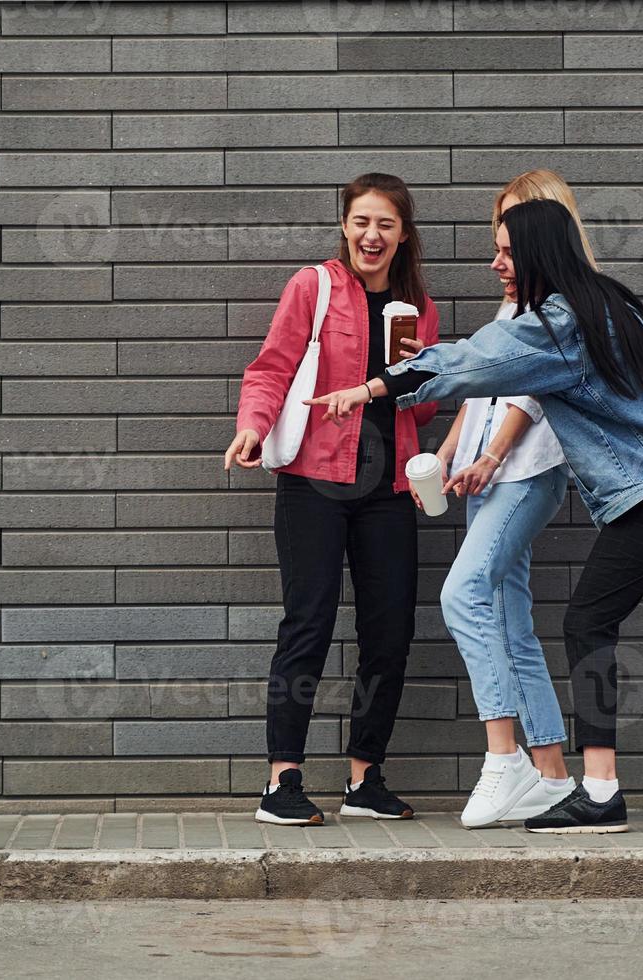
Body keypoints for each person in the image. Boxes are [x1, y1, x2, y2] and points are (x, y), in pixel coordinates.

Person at [309, 199, 643, 833]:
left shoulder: (556, 323)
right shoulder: (618, 300)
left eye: (506, 251)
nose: (496, 263)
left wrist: (369, 387)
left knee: (587, 622)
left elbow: (471, 363)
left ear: (538, 254)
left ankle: (600, 792)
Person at [224, 172, 440, 826]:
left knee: (389, 631)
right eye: (361, 222)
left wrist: (409, 372)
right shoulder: (313, 287)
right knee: (309, 622)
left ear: (404, 236)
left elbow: (425, 409)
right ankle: (280, 781)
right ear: (345, 226)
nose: (371, 236)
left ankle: (364, 778)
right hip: (314, 482)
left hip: (389, 489)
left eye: (386, 225)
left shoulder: (417, 308)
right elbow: (272, 368)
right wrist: (251, 427)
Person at [436, 172, 595, 828]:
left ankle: (504, 759)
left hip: (524, 473)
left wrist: (492, 455)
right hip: (485, 472)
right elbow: (482, 380)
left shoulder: (561, 304)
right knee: (508, 622)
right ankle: (553, 775)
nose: (501, 251)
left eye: (513, 232)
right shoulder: (514, 301)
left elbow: (530, 394)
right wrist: (450, 451)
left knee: (461, 594)